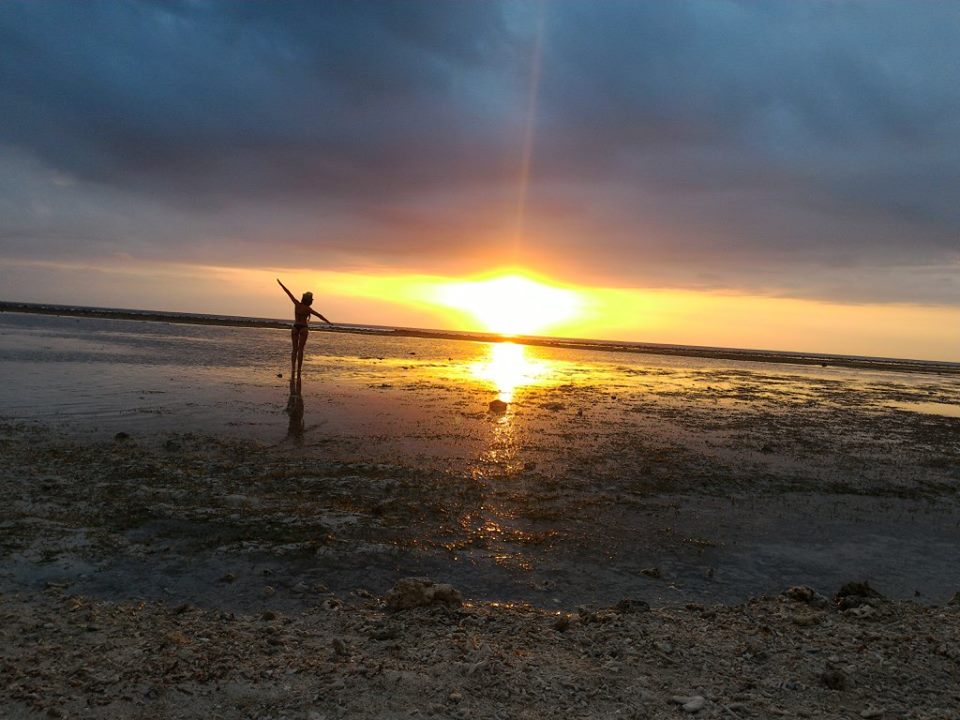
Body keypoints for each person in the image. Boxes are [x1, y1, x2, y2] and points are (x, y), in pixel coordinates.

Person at [277, 278, 331, 378]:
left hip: (295, 327)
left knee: (294, 349)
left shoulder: (297, 304)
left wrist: (281, 284)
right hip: (304, 328)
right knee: (301, 350)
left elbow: (288, 292)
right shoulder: (308, 309)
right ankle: (299, 369)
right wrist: (328, 322)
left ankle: (293, 368)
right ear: (310, 300)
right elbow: (319, 315)